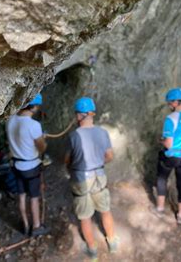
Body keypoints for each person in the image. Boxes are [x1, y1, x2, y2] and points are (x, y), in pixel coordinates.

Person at [64, 97, 118, 259]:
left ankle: (92, 250)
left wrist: (73, 167)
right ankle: (112, 242)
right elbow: (109, 156)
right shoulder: (102, 132)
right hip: (99, 176)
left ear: (79, 115)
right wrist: (98, 162)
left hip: (80, 177)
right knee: (105, 210)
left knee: (85, 216)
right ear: (91, 114)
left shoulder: (73, 136)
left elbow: (67, 160)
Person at [6, 93, 50, 237]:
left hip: (15, 165)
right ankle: (36, 226)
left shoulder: (10, 120)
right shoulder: (34, 125)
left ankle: (25, 225)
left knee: (21, 195)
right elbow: (42, 148)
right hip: (30, 168)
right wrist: (42, 138)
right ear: (34, 107)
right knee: (34, 197)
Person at [155, 87, 181, 225]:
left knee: (162, 179)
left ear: (174, 103)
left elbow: (168, 144)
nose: (168, 105)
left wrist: (160, 140)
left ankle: (160, 208)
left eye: (169, 103)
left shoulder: (170, 119)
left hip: (172, 155)